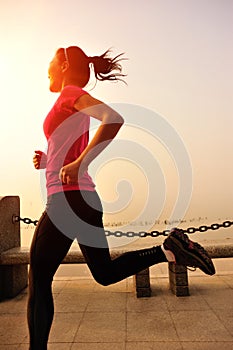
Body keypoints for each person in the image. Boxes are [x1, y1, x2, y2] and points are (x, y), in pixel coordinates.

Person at [28, 46, 215, 350]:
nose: (47, 69)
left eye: (50, 62)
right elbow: (70, 147)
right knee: (104, 273)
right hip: (86, 200)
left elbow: (112, 119)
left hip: (66, 200)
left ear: (63, 64)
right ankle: (168, 248)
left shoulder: (69, 93)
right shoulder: (69, 100)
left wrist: (80, 164)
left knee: (38, 280)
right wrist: (51, 158)